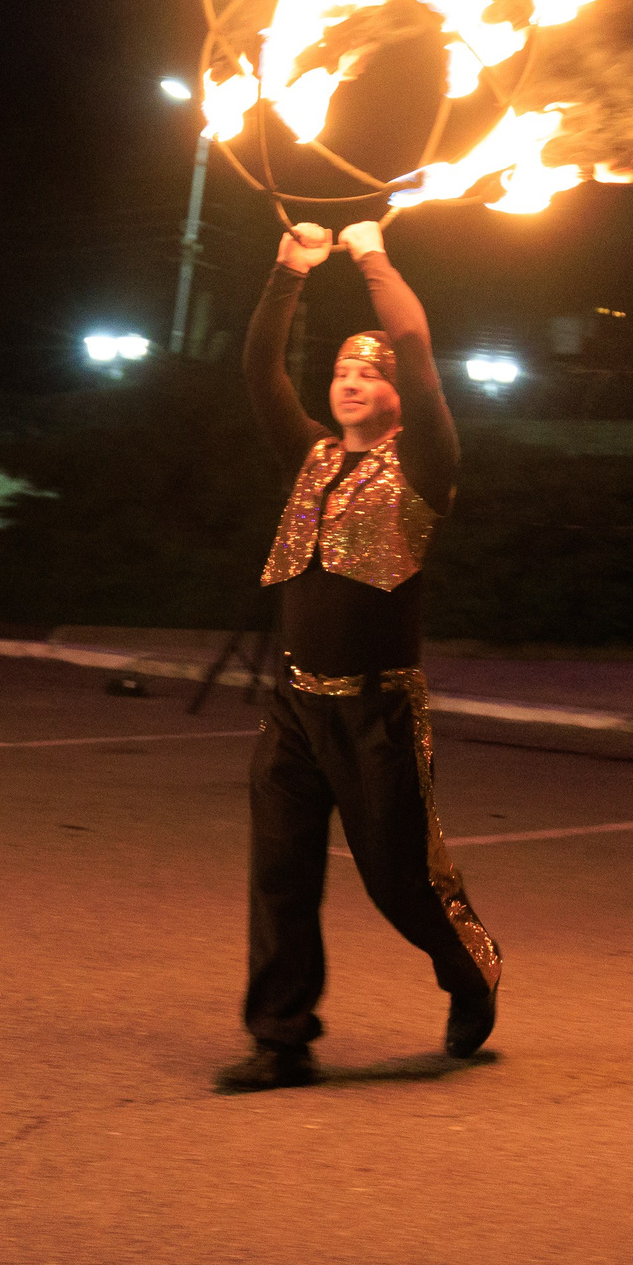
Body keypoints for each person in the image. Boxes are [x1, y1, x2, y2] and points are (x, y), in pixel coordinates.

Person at [218, 218, 500, 1092]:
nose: (348, 382)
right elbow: (259, 368)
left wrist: (373, 253)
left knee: (401, 883)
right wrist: (288, 272)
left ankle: (471, 969)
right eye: (340, 370)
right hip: (298, 706)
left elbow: (413, 338)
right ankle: (282, 1039)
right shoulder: (307, 456)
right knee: (280, 875)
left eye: (367, 374)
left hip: (377, 712)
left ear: (398, 397)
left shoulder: (426, 467)